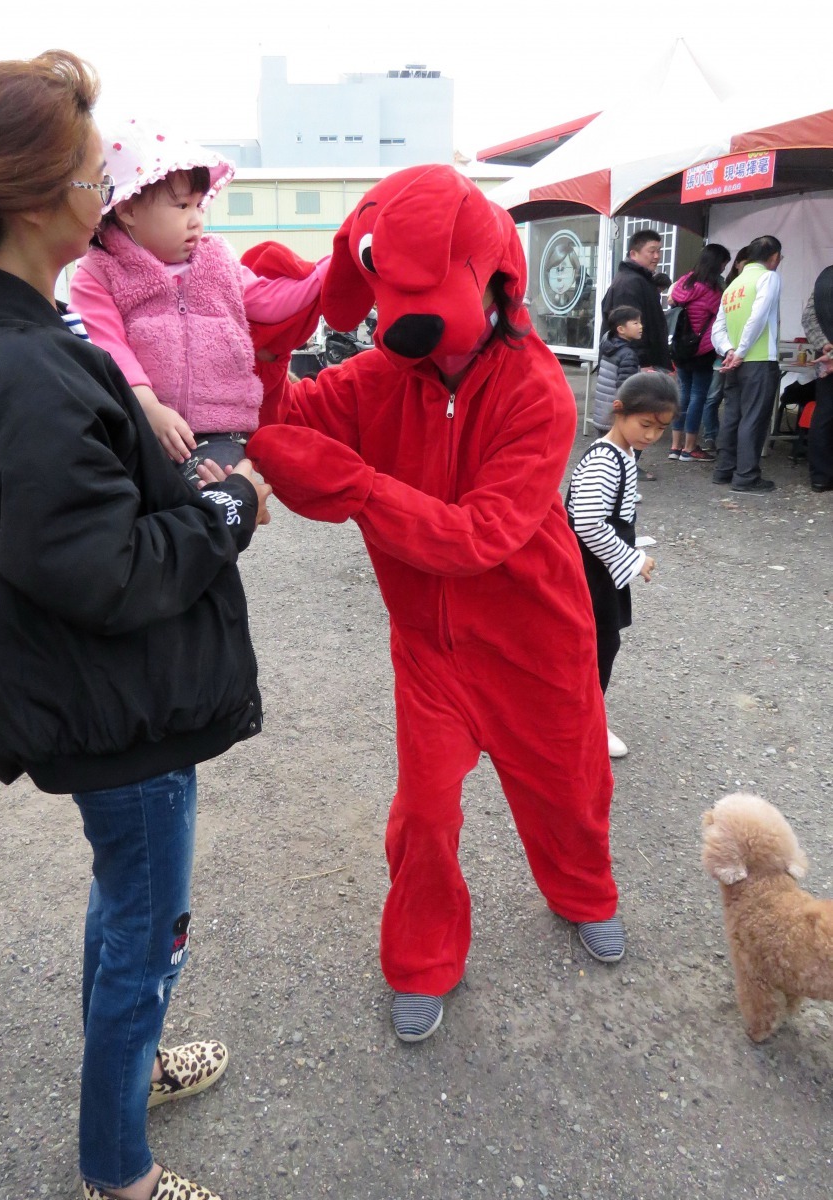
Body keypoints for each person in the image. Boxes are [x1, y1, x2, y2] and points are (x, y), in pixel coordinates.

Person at [0, 51, 272, 1200]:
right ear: (36, 200)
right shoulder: (25, 364)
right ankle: (116, 1169)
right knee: (146, 927)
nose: (106, 187)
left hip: (108, 698)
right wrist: (226, 510)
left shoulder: (28, 334)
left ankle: (126, 1068)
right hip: (117, 709)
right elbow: (98, 567)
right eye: (88, 172)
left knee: (125, 908)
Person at [237, 165, 626, 1044]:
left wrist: (355, 488)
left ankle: (584, 892)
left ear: (492, 279)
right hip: (430, 653)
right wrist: (270, 333)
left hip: (536, 642)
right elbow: (280, 415)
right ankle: (421, 961)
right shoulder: (379, 377)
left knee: (569, 790)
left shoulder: (536, 390)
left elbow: (479, 534)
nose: (397, 317)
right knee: (423, 816)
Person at [69, 119, 326, 486]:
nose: (196, 221)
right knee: (144, 508)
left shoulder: (217, 260)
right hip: (138, 424)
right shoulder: (101, 272)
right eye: (181, 206)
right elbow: (109, 348)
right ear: (127, 208)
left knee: (216, 499)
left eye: (199, 207)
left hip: (219, 430)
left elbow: (267, 300)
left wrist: (325, 274)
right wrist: (149, 407)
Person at [566, 373, 678, 758]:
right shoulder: (605, 458)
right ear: (619, 411)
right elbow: (587, 522)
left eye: (660, 429)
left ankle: (579, 719)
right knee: (597, 646)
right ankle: (584, 726)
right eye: (645, 424)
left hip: (598, 569)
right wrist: (633, 559)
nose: (650, 435)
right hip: (587, 571)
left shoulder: (623, 453)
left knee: (594, 645)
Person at [711, 235, 783, 493]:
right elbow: (759, 317)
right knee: (754, 419)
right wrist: (740, 351)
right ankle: (746, 476)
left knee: (733, 417)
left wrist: (729, 351)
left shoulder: (733, 285)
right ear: (774, 257)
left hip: (733, 363)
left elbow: (717, 328)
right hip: (759, 361)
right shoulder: (769, 277)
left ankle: (724, 470)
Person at [666, 243, 730, 462]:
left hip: (680, 348)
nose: (724, 267)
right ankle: (689, 448)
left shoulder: (685, 282)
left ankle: (675, 446)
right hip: (701, 350)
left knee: (684, 394)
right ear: (717, 263)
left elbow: (672, 299)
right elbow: (723, 316)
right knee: (698, 397)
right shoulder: (712, 290)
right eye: (723, 263)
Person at [600, 229, 671, 371]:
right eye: (651, 251)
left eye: (659, 251)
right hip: (635, 365)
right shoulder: (629, 283)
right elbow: (628, 327)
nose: (657, 256)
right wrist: (643, 363)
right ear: (633, 254)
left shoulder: (641, 280)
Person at [701, 246, 750, 451]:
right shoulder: (724, 286)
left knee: (726, 398)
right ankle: (711, 436)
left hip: (731, 351)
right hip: (720, 350)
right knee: (713, 396)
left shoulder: (740, 285)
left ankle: (725, 440)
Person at [801, 265, 833, 491]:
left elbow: (808, 318)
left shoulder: (824, 277)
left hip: (826, 360)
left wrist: (825, 347)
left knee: (824, 414)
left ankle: (820, 476)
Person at [591, 306, 642, 435]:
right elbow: (626, 389)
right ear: (621, 329)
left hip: (603, 413)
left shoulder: (609, 346)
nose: (641, 326)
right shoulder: (627, 355)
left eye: (640, 322)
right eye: (635, 323)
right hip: (617, 417)